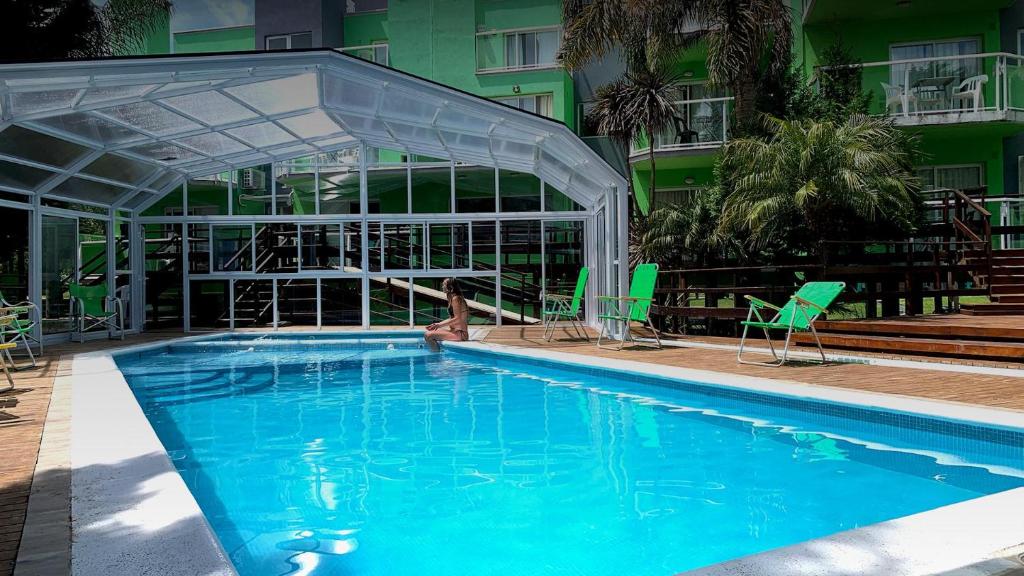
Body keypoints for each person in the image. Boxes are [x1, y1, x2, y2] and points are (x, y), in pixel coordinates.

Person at [424, 278, 469, 350]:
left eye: (444, 284)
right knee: (429, 332)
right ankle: (436, 353)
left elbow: (457, 318)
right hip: (454, 332)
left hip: (460, 334)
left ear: (451, 287)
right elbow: (453, 318)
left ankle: (435, 357)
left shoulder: (456, 298)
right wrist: (437, 324)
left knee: (428, 335)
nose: (442, 287)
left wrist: (439, 325)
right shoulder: (452, 298)